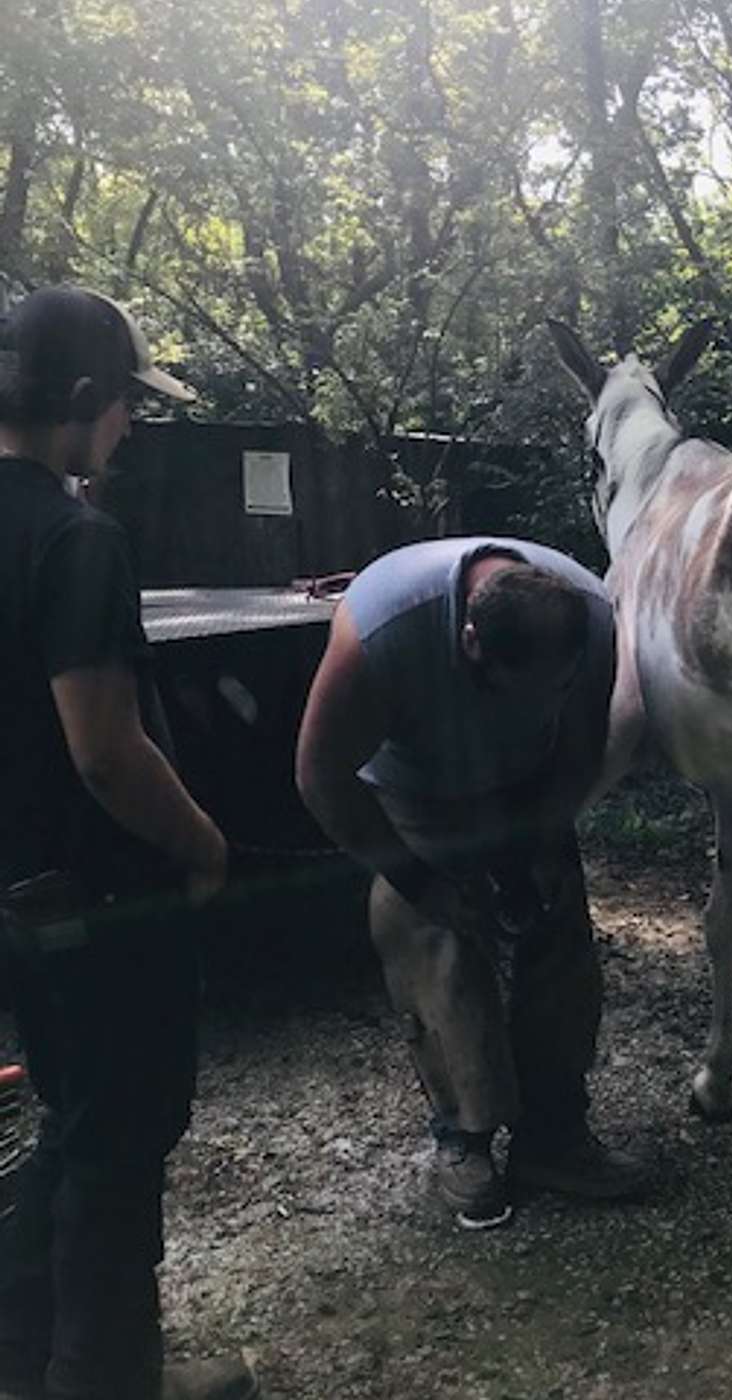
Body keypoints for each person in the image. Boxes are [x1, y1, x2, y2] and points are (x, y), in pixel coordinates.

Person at [0, 286, 258, 1400]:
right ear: (82, 400)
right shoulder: (77, 537)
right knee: (117, 1139)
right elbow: (105, 749)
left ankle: (27, 1350)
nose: (132, 429)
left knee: (71, 1116)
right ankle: (107, 1379)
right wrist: (204, 843)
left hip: (12, 897)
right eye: (124, 408)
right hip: (96, 898)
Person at [296, 537, 648, 1230]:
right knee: (441, 947)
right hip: (417, 786)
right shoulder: (383, 632)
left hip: (528, 782)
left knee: (558, 936)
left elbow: (581, 747)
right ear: (468, 642)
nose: (534, 704)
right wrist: (414, 879)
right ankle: (465, 1135)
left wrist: (542, 838)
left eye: (551, 690)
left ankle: (555, 1133)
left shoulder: (592, 623)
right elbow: (318, 773)